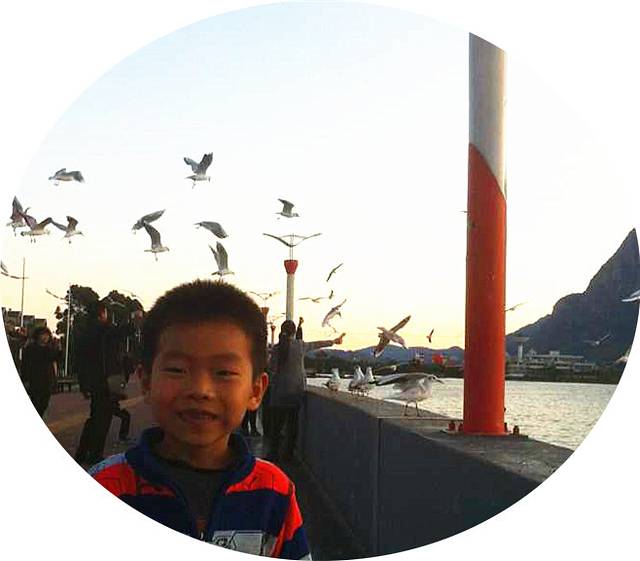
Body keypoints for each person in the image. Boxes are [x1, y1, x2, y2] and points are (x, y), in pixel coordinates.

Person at [89, 280, 311, 558]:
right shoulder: (106, 484)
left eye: (224, 372)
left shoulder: (274, 493)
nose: (200, 390)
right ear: (146, 382)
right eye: (177, 369)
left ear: (255, 391)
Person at [269, 316, 344, 462]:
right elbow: (317, 344)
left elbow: (272, 369)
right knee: (292, 426)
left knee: (276, 426)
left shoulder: (277, 348)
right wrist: (334, 341)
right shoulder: (300, 346)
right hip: (295, 392)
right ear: (293, 332)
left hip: (279, 392)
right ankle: (288, 455)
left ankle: (274, 455)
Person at [74, 303, 126, 465]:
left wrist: (83, 384)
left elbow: (80, 361)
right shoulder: (104, 330)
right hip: (105, 380)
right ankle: (95, 454)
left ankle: (82, 452)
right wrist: (135, 319)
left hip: (93, 380)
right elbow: (122, 332)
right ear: (102, 313)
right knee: (103, 420)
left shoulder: (84, 333)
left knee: (94, 417)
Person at [20, 326, 58, 418]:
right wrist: (25, 379)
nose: (45, 337)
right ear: (37, 336)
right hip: (35, 380)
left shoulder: (50, 349)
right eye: (42, 335)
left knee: (44, 403)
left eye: (47, 335)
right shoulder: (31, 349)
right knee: (36, 403)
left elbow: (55, 361)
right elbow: (25, 365)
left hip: (47, 380)